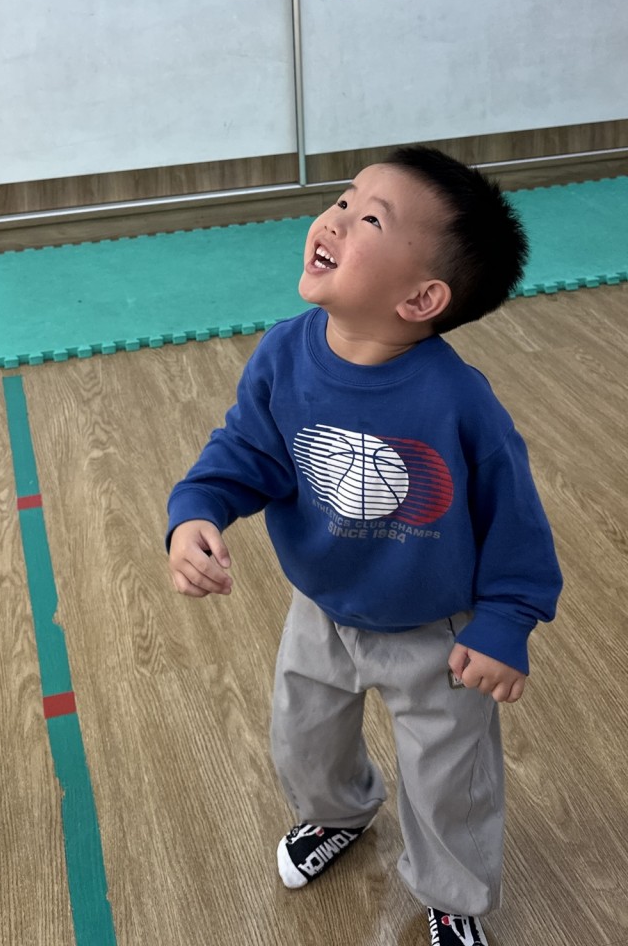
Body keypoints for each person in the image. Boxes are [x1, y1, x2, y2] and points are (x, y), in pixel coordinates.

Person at [167, 147, 562, 946]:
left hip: (436, 629)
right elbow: (247, 450)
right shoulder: (285, 354)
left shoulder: (458, 402)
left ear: (421, 298)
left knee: (449, 775)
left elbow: (516, 519)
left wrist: (505, 622)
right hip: (321, 604)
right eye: (344, 201)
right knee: (303, 738)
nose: (335, 220)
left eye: (370, 219)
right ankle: (337, 813)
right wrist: (197, 509)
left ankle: (452, 895)